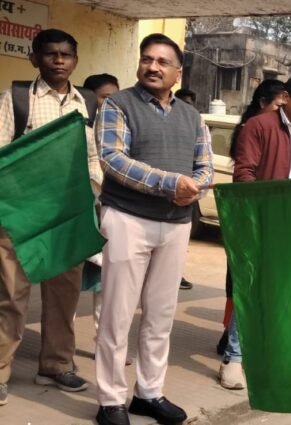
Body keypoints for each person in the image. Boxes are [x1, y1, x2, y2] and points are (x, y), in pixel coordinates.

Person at [94, 33, 213, 425]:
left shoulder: (192, 116)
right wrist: (170, 184)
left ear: (178, 73)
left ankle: (149, 393)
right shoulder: (117, 104)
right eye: (147, 59)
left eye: (163, 62)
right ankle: (111, 400)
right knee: (117, 314)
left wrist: (193, 189)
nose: (153, 66)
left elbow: (205, 167)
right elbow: (113, 159)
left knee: (160, 315)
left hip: (175, 224)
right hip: (127, 218)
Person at [0, 28, 103, 407]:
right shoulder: (16, 99)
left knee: (64, 295)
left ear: (75, 60)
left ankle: (56, 365)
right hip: (21, 216)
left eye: (66, 54)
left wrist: (92, 191)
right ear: (35, 59)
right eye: (50, 54)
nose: (59, 60)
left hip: (67, 215)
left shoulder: (87, 103)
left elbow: (93, 156)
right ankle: (0, 370)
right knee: (11, 295)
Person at [220, 75, 291, 390]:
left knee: (286, 292)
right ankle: (234, 359)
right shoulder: (259, 126)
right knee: (253, 289)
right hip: (263, 223)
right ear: (287, 97)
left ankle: (272, 356)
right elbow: (244, 173)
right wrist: (258, 217)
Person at [217, 78, 287, 357]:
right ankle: (233, 345)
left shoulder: (284, 133)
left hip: (271, 218)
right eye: (279, 106)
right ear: (263, 103)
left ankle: (234, 338)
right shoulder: (253, 129)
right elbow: (246, 174)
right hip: (251, 214)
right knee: (244, 280)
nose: (282, 112)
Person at [81, 74, 132, 366]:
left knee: (106, 288)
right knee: (65, 290)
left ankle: (107, 347)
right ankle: (60, 350)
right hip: (82, 217)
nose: (111, 103)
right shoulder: (80, 131)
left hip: (111, 218)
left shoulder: (122, 132)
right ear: (90, 99)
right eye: (104, 97)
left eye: (116, 97)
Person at [173, 88, 202, 291]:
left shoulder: (195, 123)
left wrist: (197, 187)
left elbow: (204, 163)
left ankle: (177, 273)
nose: (186, 108)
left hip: (188, 191)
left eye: (190, 104)